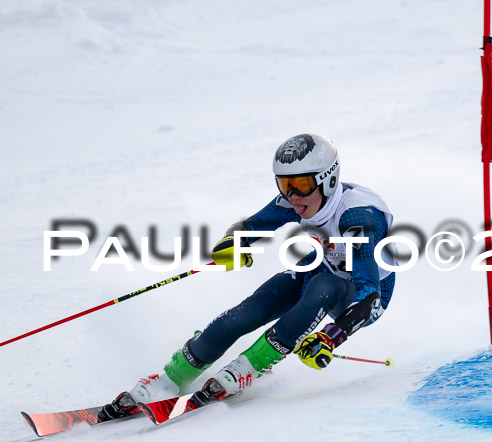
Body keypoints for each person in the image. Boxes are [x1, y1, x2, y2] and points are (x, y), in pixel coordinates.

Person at [100, 134, 397, 419]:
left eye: (302, 184)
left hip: (360, 294)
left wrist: (331, 337)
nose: (292, 196)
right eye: (285, 184)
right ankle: (171, 378)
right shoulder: (301, 199)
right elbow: (252, 227)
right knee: (252, 309)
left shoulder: (359, 217)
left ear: (329, 179)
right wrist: (234, 244)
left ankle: (250, 366)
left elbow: (369, 297)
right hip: (323, 265)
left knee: (322, 286)